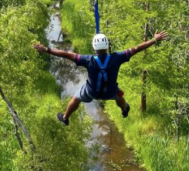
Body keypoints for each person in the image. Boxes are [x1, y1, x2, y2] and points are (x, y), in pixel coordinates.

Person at [33, 30, 168, 126]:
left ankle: (65, 118)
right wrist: (154, 39)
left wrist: (46, 50)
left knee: (76, 98)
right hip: (110, 91)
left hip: (91, 92)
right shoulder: (117, 57)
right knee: (119, 96)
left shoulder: (88, 60)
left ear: (94, 46)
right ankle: (124, 110)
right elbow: (137, 48)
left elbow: (66, 54)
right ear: (107, 45)